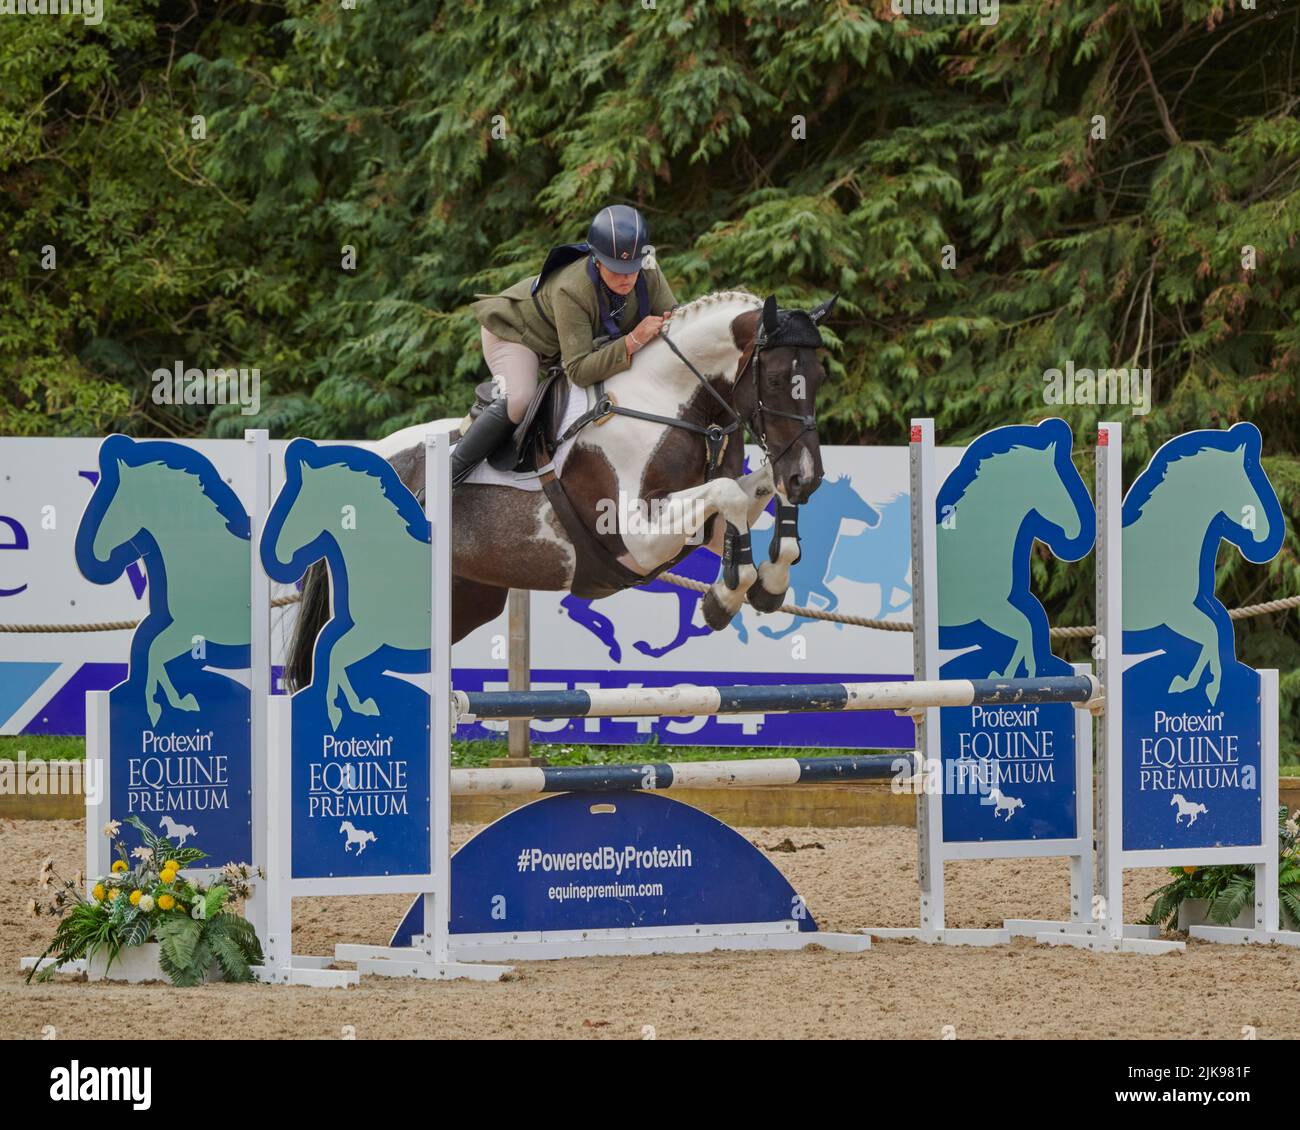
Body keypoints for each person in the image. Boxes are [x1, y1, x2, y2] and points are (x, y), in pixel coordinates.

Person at [456, 204, 676, 485]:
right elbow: (579, 371)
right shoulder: (572, 288)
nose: (627, 278)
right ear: (596, 260)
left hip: (560, 344)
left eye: (632, 268)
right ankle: (445, 477)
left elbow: (672, 321)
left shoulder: (647, 269)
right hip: (515, 333)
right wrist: (633, 341)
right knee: (520, 398)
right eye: (617, 269)